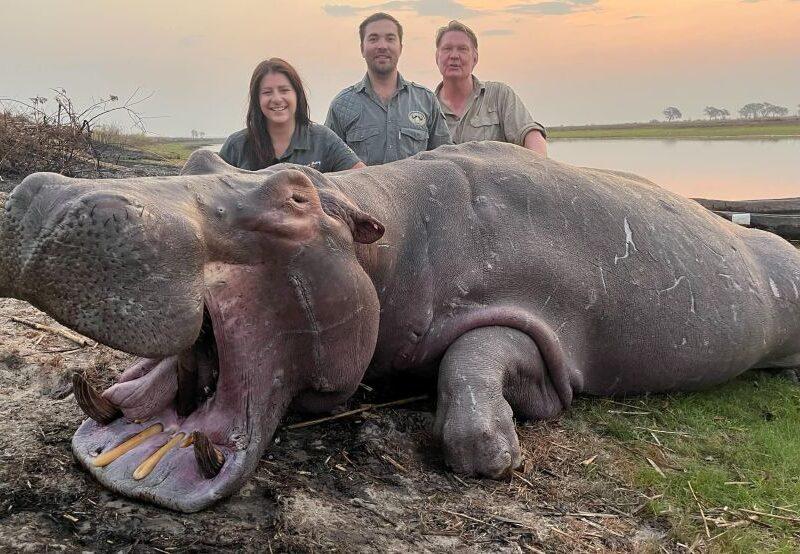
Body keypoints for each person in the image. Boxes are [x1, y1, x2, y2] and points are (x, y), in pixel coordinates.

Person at [325, 12, 452, 166]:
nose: (382, 46)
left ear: (400, 47)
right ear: (362, 48)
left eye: (390, 39)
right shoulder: (342, 106)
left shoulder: (426, 100)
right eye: (373, 39)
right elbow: (327, 166)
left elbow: (446, 162)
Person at [220, 58, 364, 172]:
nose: (276, 99)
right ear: (257, 99)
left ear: (297, 94)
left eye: (284, 90)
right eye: (267, 92)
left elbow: (361, 178)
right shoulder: (236, 146)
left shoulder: (323, 139)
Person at [434, 20, 548, 157]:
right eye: (447, 49)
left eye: (462, 49)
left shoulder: (499, 95)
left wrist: (539, 168)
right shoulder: (427, 107)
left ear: (475, 58)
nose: (454, 56)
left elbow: (531, 136)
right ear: (437, 57)